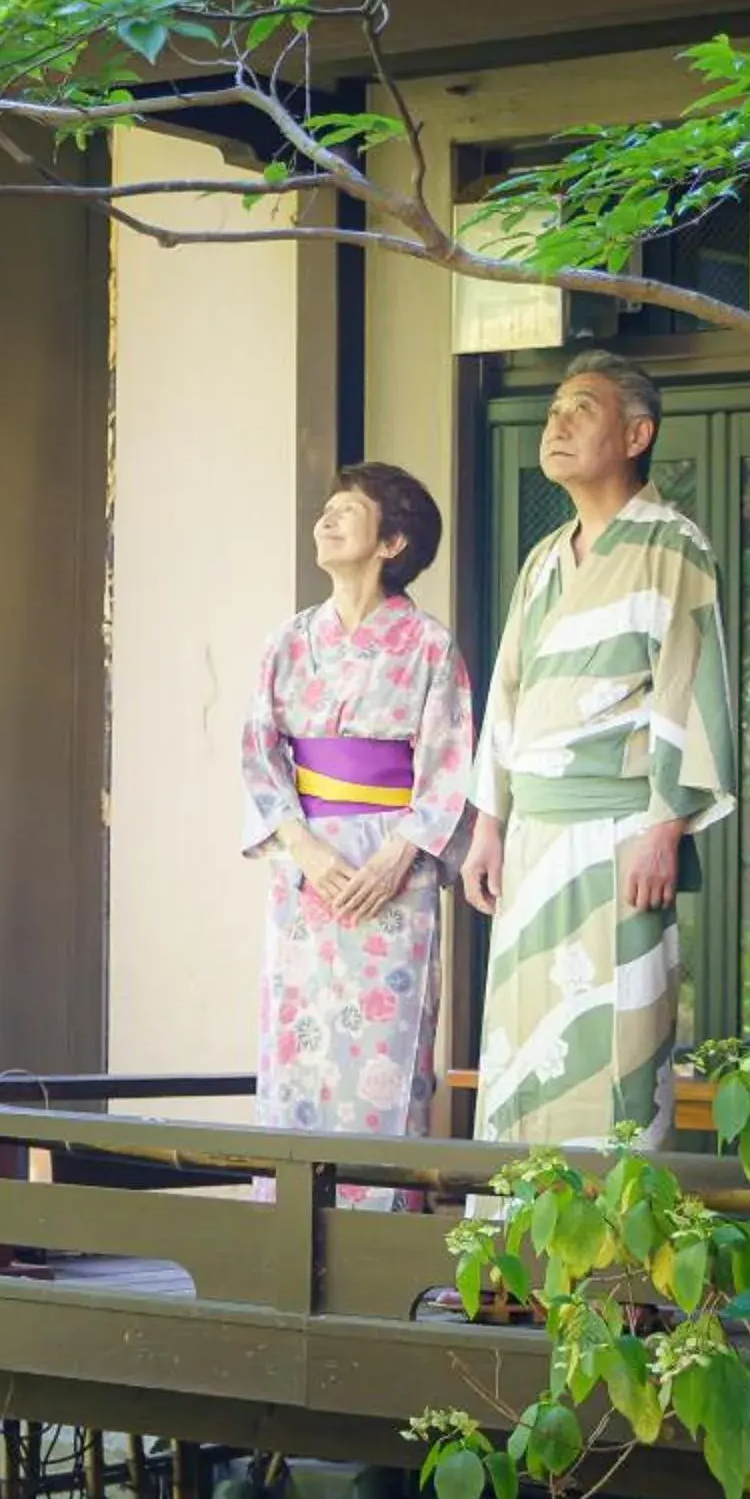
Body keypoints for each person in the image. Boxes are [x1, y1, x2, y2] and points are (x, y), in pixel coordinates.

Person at [463, 351, 735, 1152]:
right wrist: (489, 824)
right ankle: (516, 1261)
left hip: (621, 832)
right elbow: (507, 691)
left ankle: (609, 1267)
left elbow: (691, 684)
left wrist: (665, 827)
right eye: (552, 410)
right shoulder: (544, 559)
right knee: (522, 1044)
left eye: (581, 408)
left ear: (637, 434)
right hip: (534, 840)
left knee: (618, 1039)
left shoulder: (673, 545)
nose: (557, 423)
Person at [238, 462, 475, 1209]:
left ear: (392, 541)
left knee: (386, 1054)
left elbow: (449, 769)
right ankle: (287, 1229)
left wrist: (398, 856)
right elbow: (259, 752)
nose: (327, 521)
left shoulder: (430, 647)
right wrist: (303, 847)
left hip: (391, 875)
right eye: (327, 510)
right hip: (306, 868)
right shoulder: (288, 640)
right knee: (296, 1053)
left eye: (348, 511)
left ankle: (382, 1237)